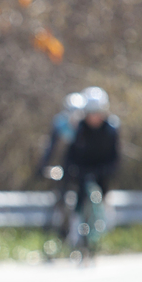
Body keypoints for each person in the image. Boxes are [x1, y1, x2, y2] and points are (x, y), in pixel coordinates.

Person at [61, 86, 121, 240]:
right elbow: (70, 155)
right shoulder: (79, 129)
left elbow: (115, 158)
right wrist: (72, 171)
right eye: (91, 113)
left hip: (102, 172)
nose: (94, 117)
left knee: (103, 201)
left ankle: (103, 237)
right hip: (82, 172)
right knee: (77, 200)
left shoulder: (111, 130)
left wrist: (105, 170)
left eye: (97, 112)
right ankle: (74, 236)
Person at [36, 90, 87, 243]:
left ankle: (83, 233)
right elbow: (51, 147)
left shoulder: (86, 126)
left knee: (83, 195)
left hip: (84, 163)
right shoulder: (60, 123)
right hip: (66, 162)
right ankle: (62, 229)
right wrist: (43, 165)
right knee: (62, 194)